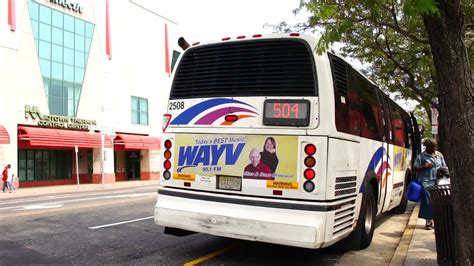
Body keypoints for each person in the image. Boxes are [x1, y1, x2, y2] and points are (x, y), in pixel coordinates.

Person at [413, 138, 449, 230]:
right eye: (432, 147)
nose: (434, 148)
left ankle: (440, 220)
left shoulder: (439, 155)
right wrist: (424, 167)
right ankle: (429, 220)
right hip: (426, 182)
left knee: (440, 201)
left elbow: (444, 166)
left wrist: (443, 171)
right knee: (428, 201)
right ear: (427, 147)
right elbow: (415, 168)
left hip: (439, 181)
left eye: (435, 146)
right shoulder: (421, 156)